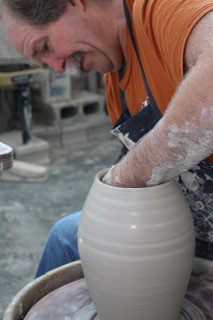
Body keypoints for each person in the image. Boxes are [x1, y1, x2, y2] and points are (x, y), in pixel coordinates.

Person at [2, 0, 212, 279]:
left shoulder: (160, 9)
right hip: (186, 233)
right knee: (65, 237)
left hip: (190, 243)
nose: (58, 68)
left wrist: (130, 173)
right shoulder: (115, 80)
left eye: (46, 47)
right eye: (44, 63)